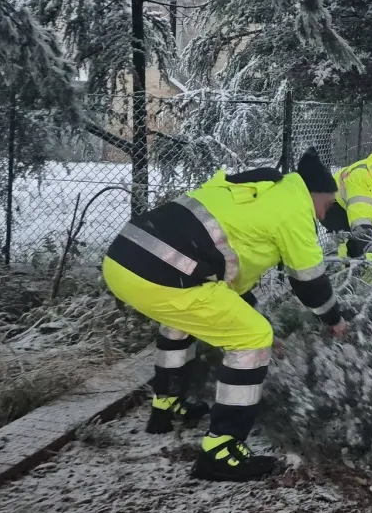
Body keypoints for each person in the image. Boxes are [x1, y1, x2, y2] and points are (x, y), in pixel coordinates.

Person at [101, 150, 345, 481]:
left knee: (183, 319)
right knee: (253, 337)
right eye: (327, 204)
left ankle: (167, 407)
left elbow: (228, 285)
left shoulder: (256, 190)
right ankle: (222, 451)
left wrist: (253, 321)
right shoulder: (295, 207)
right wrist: (334, 320)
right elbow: (309, 280)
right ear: (313, 193)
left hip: (123, 261)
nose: (325, 213)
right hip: (163, 273)